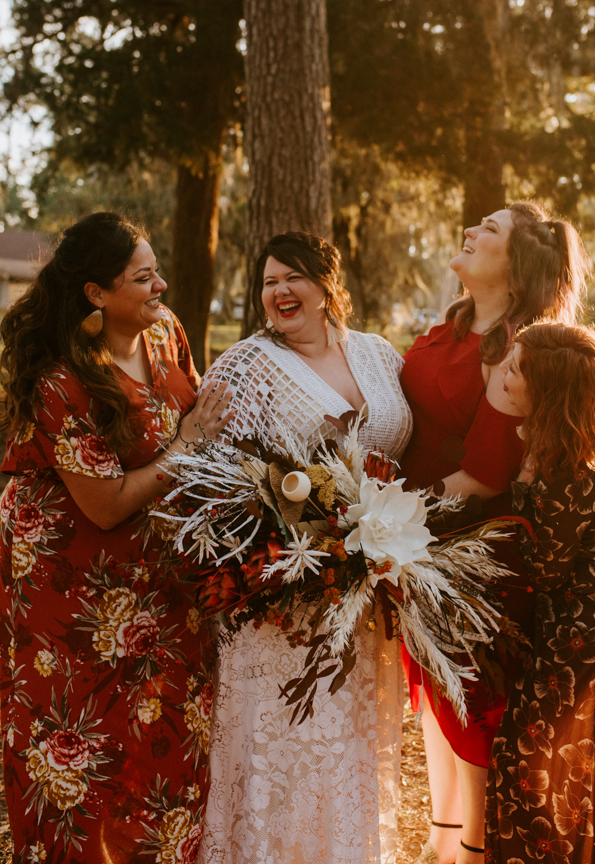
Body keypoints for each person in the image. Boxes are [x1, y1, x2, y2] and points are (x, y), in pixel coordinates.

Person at [0, 212, 232, 864]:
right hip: (75, 585)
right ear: (97, 293)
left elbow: (194, 409)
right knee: (89, 746)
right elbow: (104, 505)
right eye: (142, 277)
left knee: (168, 733)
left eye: (157, 272)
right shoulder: (63, 383)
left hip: (163, 573)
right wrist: (186, 448)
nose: (160, 287)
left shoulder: (167, 332)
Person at [196, 231, 413, 864]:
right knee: (285, 742)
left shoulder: (377, 356)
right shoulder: (245, 365)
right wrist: (294, 542)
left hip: (367, 589)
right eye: (268, 282)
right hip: (280, 596)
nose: (279, 292)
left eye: (293, 278)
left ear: (327, 287)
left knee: (348, 742)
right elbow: (213, 475)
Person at [398, 202, 591, 864]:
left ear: (516, 267)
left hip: (473, 546)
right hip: (414, 538)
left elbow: (481, 476)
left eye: (490, 231)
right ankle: (439, 839)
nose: (471, 232)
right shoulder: (446, 327)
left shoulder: (519, 347)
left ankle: (473, 850)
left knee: (469, 704)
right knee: (427, 692)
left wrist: (383, 518)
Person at [487, 322, 595, 864]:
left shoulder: (563, 466)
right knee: (552, 752)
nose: (503, 375)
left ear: (548, 394)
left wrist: (523, 486)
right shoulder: (573, 437)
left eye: (516, 371)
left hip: (594, 616)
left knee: (532, 751)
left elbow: (547, 568)